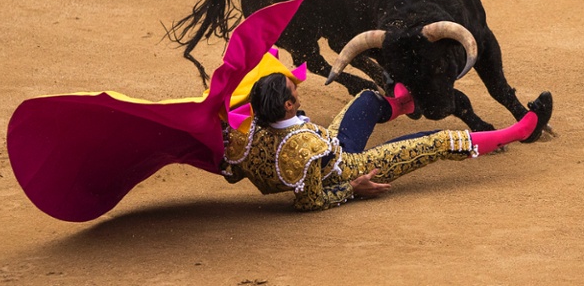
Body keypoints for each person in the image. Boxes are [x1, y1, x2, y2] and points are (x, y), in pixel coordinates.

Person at [220, 73, 553, 211]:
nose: (295, 82)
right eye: (291, 89)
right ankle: (522, 130)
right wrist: (353, 188)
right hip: (351, 169)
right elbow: (309, 202)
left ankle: (407, 102)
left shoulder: (244, 135)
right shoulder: (301, 151)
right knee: (435, 142)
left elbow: (234, 170)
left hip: (333, 147)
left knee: (365, 100)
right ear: (288, 106)